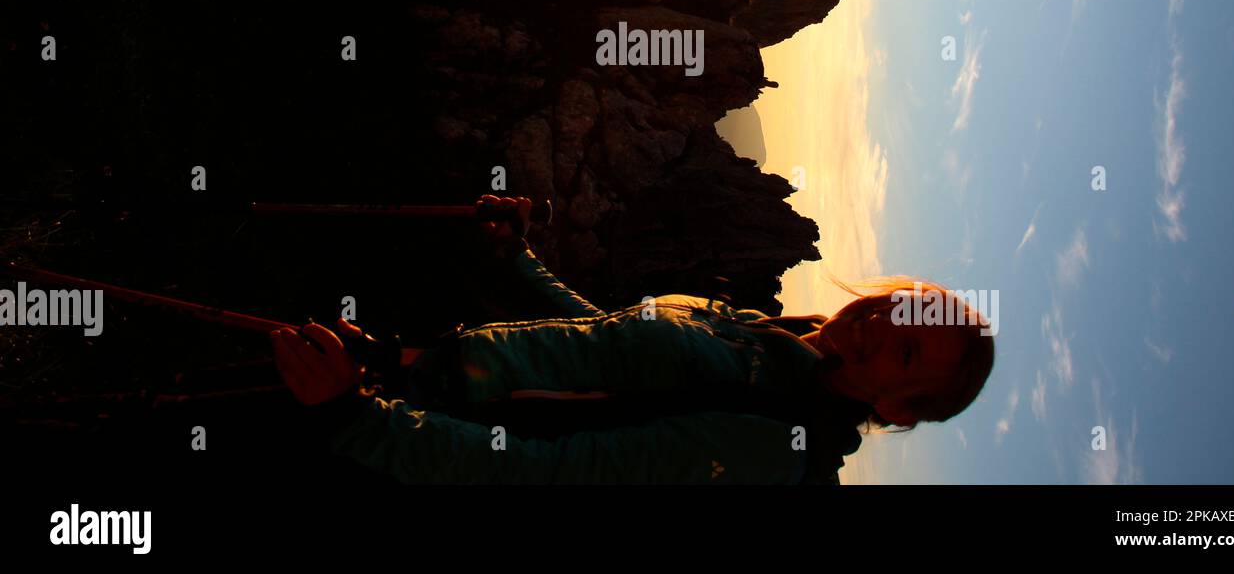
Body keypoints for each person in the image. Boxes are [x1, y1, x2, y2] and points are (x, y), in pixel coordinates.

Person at [271, 196, 994, 484]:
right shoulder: (760, 337)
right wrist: (519, 259)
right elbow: (606, 336)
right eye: (893, 309)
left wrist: (357, 423)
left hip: (402, 438)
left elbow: (558, 475)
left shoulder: (775, 441)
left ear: (899, 411)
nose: (874, 327)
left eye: (905, 352)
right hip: (408, 370)